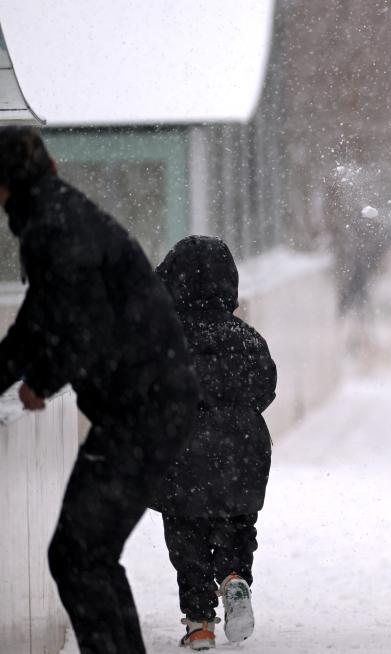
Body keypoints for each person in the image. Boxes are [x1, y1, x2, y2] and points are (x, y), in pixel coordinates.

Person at [0, 126, 198, 653]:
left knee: (78, 553)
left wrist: (40, 379)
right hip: (146, 403)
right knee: (87, 553)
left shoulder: (53, 226)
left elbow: (73, 321)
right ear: (52, 169)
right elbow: (44, 316)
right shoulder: (60, 216)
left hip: (144, 408)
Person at [150, 236, 277, 650]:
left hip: (180, 450)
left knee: (186, 537)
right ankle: (235, 577)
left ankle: (200, 624)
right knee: (236, 525)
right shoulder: (247, 337)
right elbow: (266, 387)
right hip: (241, 449)